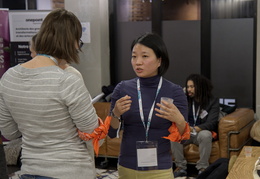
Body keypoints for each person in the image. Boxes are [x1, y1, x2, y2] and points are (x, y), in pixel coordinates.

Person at [0, 8, 99, 179]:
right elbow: (91, 129)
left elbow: (9, 132)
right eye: (78, 40)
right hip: (71, 171)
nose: (78, 47)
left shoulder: (8, 77)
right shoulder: (67, 79)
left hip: (30, 170)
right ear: (71, 41)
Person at [108, 33, 189, 179]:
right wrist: (115, 113)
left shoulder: (174, 91)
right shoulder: (122, 89)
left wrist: (179, 120)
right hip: (127, 166)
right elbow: (111, 133)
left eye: (145, 56)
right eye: (134, 56)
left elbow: (183, 138)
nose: (138, 62)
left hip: (159, 170)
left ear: (159, 60)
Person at [171, 74, 220, 178]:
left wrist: (193, 129)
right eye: (188, 87)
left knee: (206, 134)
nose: (189, 89)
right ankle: (181, 167)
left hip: (199, 133)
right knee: (174, 134)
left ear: (200, 87)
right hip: (187, 134)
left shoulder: (212, 101)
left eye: (192, 87)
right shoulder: (185, 99)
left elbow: (211, 123)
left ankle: (203, 168)